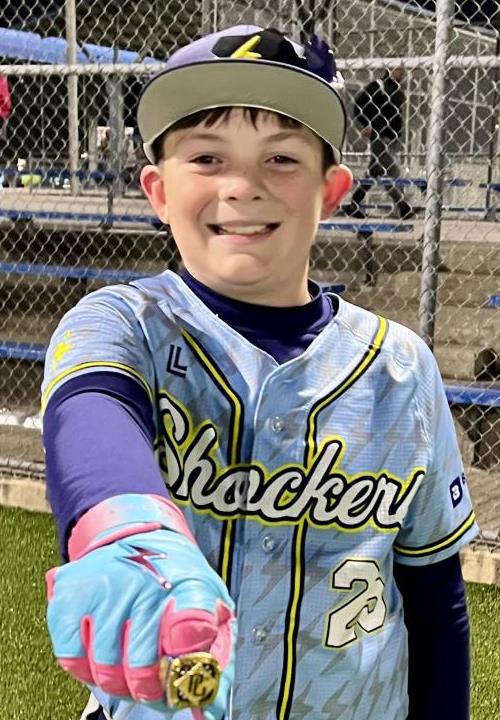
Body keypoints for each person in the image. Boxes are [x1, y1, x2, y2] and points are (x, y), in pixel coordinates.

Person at [42, 25, 477, 720]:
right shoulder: (124, 323)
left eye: (280, 159)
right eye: (206, 158)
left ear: (332, 190)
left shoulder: (400, 366)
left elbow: (434, 598)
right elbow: (92, 413)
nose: (242, 187)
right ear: (157, 190)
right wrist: (127, 529)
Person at [345, 68, 415, 220]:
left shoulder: (395, 89)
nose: (402, 73)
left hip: (389, 136)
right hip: (380, 136)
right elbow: (359, 105)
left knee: (375, 171)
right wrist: (368, 125)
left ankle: (354, 205)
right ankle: (402, 206)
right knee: (391, 171)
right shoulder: (380, 86)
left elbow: (395, 114)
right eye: (398, 70)